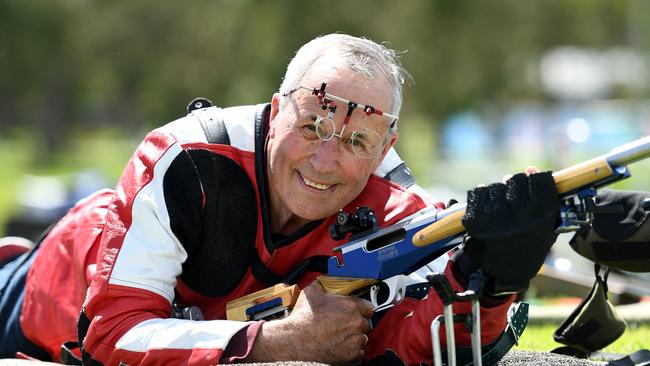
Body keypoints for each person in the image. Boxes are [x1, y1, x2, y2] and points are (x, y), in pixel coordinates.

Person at [0, 33, 561, 365]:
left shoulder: (402, 213)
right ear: (276, 108)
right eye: (314, 125)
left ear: (386, 146)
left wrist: (490, 281)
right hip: (40, 299)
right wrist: (272, 341)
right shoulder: (186, 157)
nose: (325, 160)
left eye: (356, 141)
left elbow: (411, 348)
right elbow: (111, 338)